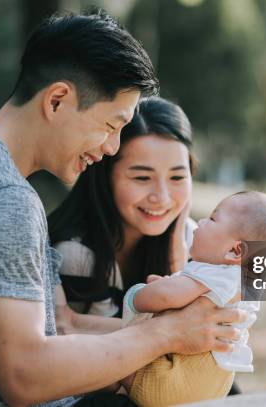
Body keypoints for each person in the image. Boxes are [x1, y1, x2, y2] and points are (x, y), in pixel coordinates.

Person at [0, 12, 244, 407]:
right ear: (57, 100)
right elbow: (24, 375)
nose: (111, 147)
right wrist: (168, 333)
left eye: (177, 177)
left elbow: (51, 337)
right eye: (111, 125)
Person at [118, 191, 266, 407]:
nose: (200, 221)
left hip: (171, 383)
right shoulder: (234, 280)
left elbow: (164, 296)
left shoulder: (219, 274)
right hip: (210, 386)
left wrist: (138, 294)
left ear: (235, 250)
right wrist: (170, 283)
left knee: (113, 363)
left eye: (212, 219)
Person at [48, 96, 195, 323]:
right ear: (104, 176)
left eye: (177, 177)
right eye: (142, 177)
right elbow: (129, 350)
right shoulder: (76, 254)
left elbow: (263, 286)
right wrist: (179, 273)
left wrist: (180, 260)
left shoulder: (192, 235)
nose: (162, 197)